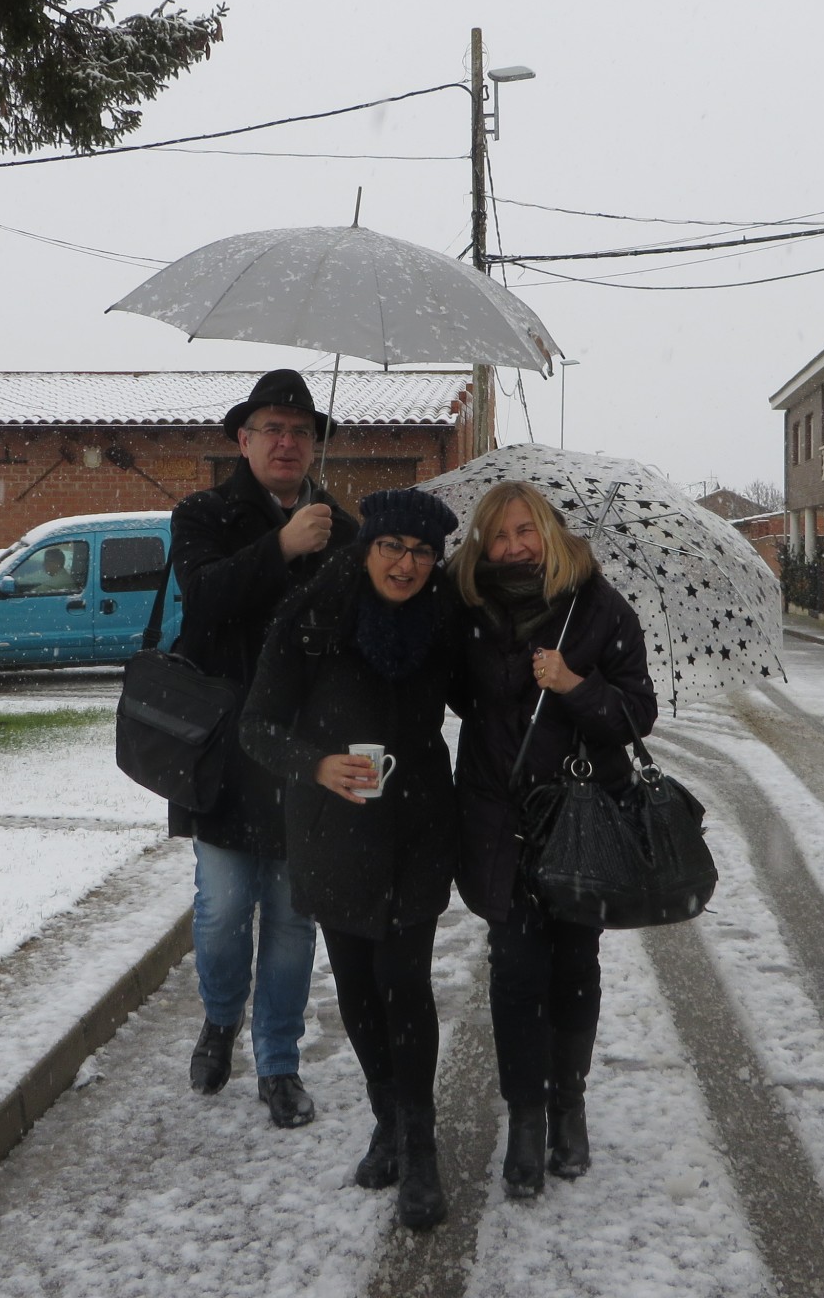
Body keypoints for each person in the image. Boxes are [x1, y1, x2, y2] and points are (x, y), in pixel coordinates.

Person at [241, 487, 465, 1231]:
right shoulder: (312, 617)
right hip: (333, 830)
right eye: (393, 547)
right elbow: (258, 728)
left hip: (419, 825)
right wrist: (316, 765)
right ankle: (387, 1121)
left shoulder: (444, 622)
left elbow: (484, 699)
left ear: (436, 562)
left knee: (404, 979)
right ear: (367, 546)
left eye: (422, 553)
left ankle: (421, 1147)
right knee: (361, 990)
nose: (405, 565)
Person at [446, 480, 657, 1198]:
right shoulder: (468, 608)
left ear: (551, 534)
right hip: (499, 819)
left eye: (524, 532)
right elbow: (451, 693)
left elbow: (638, 715)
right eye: (499, 537)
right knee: (514, 973)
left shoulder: (599, 608)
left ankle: (568, 1104)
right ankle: (527, 1118)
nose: (513, 548)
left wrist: (575, 684)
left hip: (581, 820)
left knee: (572, 968)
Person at [168, 369, 359, 1129]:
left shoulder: (342, 531)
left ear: (314, 444)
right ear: (243, 440)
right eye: (272, 429)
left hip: (301, 758)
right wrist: (281, 547)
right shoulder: (203, 515)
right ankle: (221, 1018)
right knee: (221, 913)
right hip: (221, 755)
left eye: (300, 430)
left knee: (289, 919)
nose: (286, 442)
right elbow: (205, 601)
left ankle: (278, 1063)